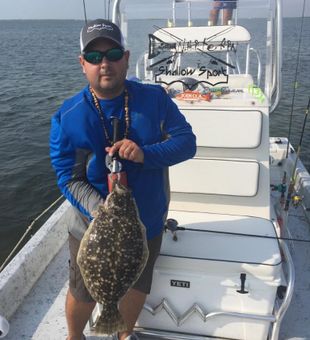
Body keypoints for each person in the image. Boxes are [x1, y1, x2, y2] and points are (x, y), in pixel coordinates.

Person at [50, 19, 196, 340]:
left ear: (126, 58)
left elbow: (187, 143)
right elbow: (68, 177)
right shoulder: (68, 116)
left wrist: (146, 154)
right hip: (90, 224)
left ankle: (123, 334)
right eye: (94, 57)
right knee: (84, 290)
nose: (105, 63)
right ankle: (74, 336)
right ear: (82, 64)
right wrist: (100, 210)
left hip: (147, 222)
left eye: (113, 53)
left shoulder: (155, 100)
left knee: (137, 283)